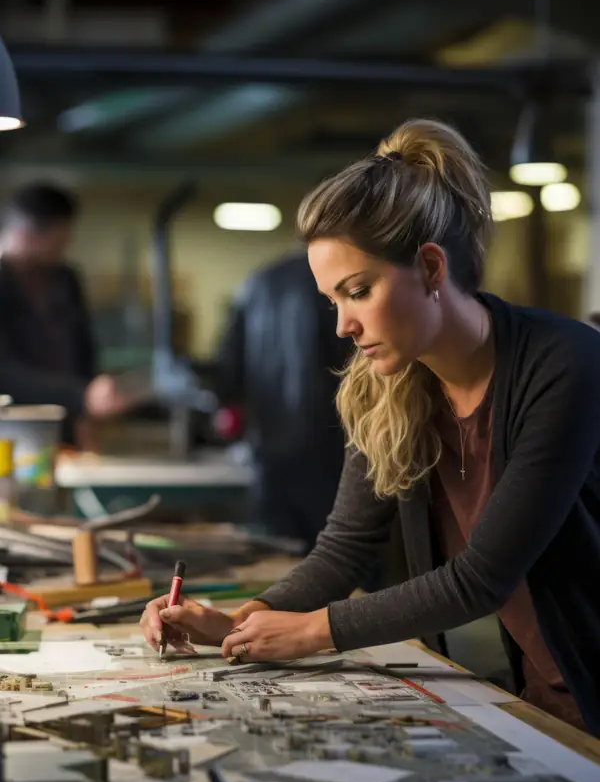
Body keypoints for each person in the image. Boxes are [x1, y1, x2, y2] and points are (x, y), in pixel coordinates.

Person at [141, 118, 600, 738]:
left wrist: (311, 632)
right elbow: (345, 548)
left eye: (358, 291)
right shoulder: (387, 383)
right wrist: (246, 620)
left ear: (432, 269)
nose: (343, 326)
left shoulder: (565, 365)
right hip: (543, 688)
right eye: (333, 300)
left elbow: (481, 578)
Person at [215, 249, 352, 550]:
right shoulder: (340, 280)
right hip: (337, 456)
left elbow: (226, 377)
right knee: (347, 564)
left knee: (280, 566)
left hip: (271, 460)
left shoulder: (256, 283)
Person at [0, 182, 131, 444]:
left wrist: (88, 407)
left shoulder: (64, 279)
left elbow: (83, 348)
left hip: (67, 429)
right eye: (58, 241)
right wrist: (80, 394)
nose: (65, 248)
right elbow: (3, 371)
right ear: (26, 234)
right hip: (12, 433)